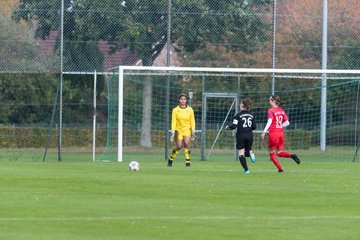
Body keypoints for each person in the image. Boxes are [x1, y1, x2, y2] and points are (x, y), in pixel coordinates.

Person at [260, 95, 300, 172]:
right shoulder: (281, 110)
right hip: (281, 133)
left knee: (271, 151)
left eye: (269, 100)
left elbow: (270, 121)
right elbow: (287, 122)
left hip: (274, 133)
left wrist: (264, 132)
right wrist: (280, 126)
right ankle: (292, 156)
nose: (269, 101)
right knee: (279, 152)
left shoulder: (271, 110)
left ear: (273, 101)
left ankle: (280, 169)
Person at [225, 98, 257, 174]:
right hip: (250, 135)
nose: (239, 104)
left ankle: (246, 170)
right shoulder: (252, 115)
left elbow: (234, 126)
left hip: (241, 136)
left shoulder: (238, 115)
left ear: (242, 105)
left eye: (240, 103)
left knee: (241, 154)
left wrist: (228, 127)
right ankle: (250, 152)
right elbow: (254, 127)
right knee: (247, 151)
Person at [167, 93, 196, 167]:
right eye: (181, 99)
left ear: (186, 100)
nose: (183, 100)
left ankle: (188, 162)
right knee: (179, 146)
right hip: (178, 130)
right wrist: (173, 131)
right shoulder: (175, 110)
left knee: (186, 144)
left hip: (187, 129)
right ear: (179, 100)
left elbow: (192, 120)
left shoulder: (190, 110)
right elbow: (173, 121)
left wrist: (193, 130)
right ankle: (171, 159)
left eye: (184, 99)